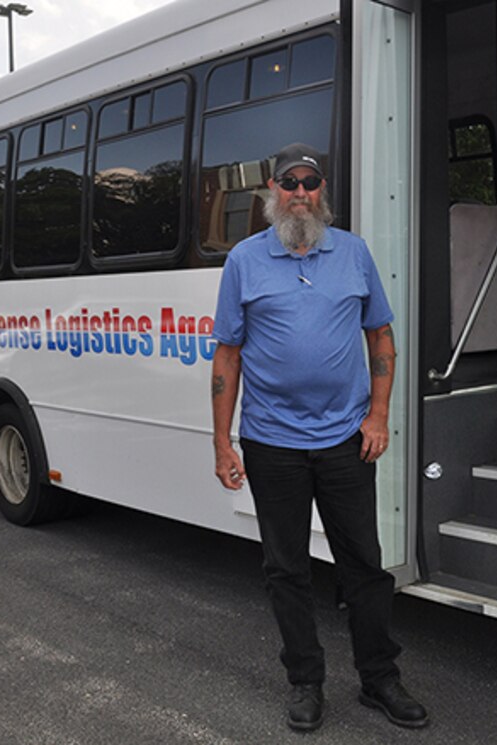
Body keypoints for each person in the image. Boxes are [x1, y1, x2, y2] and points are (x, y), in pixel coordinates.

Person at [210, 143, 428, 732]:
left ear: (322, 189)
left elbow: (381, 338)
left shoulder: (352, 253)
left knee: (364, 565)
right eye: (289, 182)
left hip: (343, 441)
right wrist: (222, 442)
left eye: (310, 182)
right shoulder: (245, 262)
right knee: (286, 570)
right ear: (272, 192)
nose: (300, 192)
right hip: (271, 442)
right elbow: (226, 355)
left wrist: (378, 416)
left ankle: (379, 679)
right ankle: (305, 681)